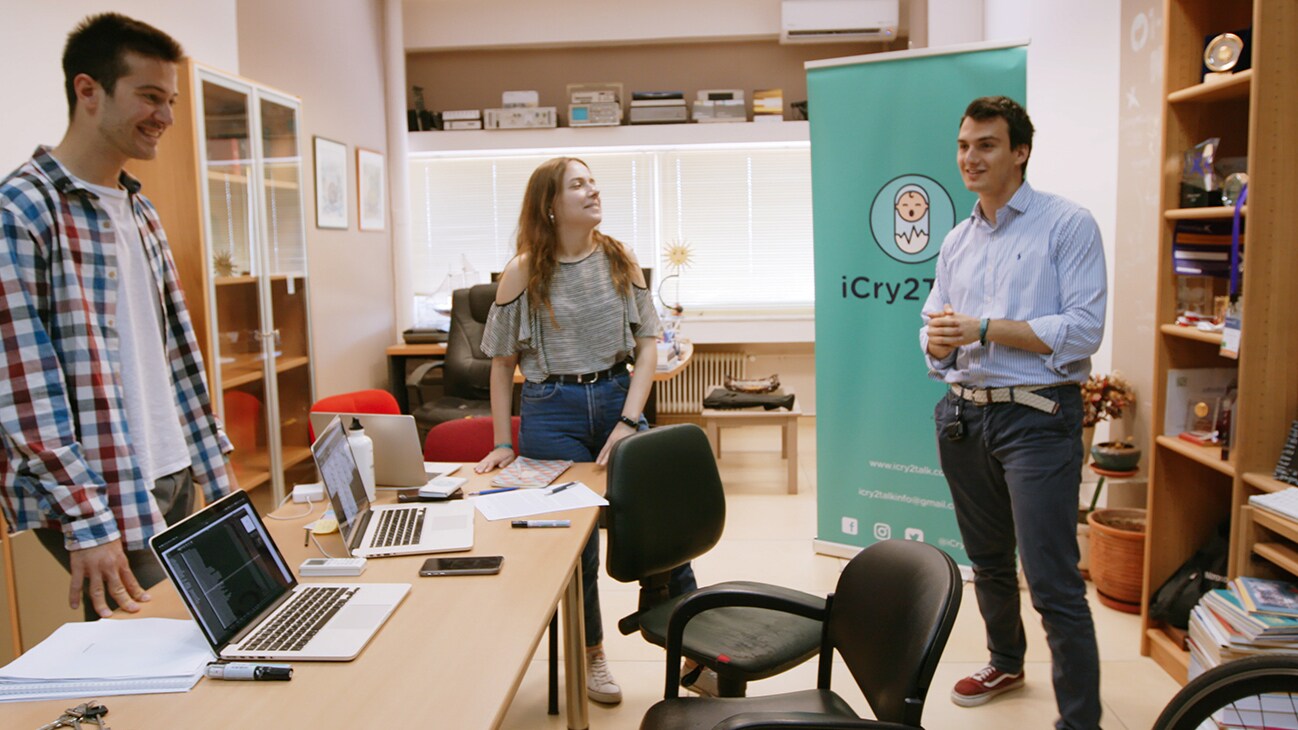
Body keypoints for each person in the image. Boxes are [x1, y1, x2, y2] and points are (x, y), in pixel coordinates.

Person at [0, 13, 233, 622]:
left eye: (171, 100)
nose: (168, 117)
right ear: (88, 90)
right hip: (102, 487)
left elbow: (175, 356)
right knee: (155, 665)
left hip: (172, 465)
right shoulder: (22, 209)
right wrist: (86, 519)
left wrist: (215, 467)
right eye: (150, 97)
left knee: (208, 647)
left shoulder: (139, 206)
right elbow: (23, 389)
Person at [474, 157, 698, 705]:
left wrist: (628, 420)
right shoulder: (524, 270)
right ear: (551, 205)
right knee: (575, 547)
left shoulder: (621, 258)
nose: (593, 190)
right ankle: (593, 654)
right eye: (579, 185)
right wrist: (504, 441)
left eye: (593, 182)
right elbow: (502, 364)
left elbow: (647, 343)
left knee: (662, 527)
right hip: (552, 407)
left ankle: (695, 652)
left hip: (618, 396)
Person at [920, 96, 1107, 730]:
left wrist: (983, 328)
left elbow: (1083, 331)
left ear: (1020, 151)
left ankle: (1080, 720)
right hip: (964, 416)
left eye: (987, 145)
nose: (970, 158)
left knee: (1052, 579)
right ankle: (1005, 660)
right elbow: (934, 325)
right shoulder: (955, 239)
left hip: (1038, 417)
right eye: (964, 145)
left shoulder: (1067, 224)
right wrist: (938, 342)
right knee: (989, 562)